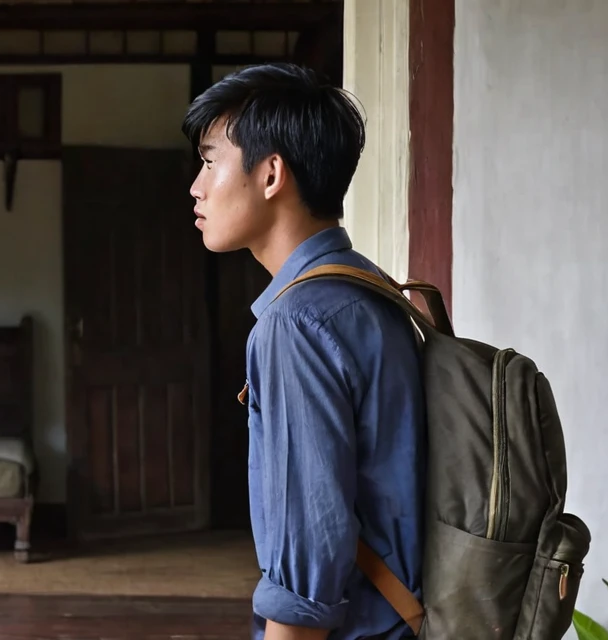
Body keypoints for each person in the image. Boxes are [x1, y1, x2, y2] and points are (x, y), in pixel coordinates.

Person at [182, 63, 426, 640]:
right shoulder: (369, 290)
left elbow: (307, 567)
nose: (196, 185)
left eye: (211, 160)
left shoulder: (295, 322)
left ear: (271, 175)